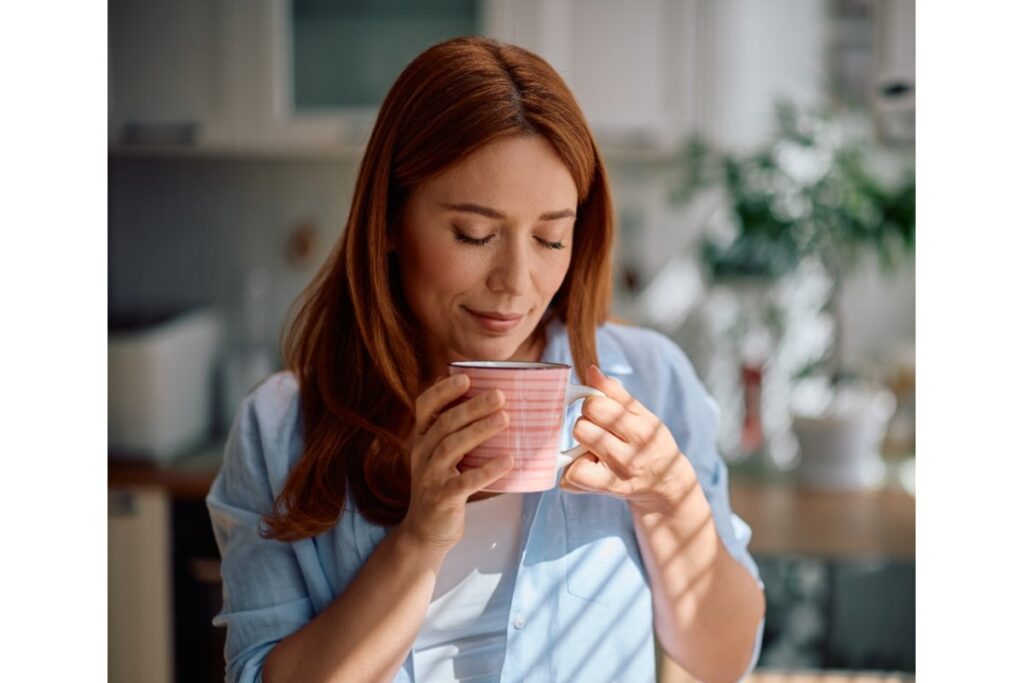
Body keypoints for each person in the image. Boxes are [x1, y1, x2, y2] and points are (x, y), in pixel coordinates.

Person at [207, 36, 765, 683]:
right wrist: (419, 540)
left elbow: (723, 661)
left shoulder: (651, 380)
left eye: (551, 236)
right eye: (475, 234)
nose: (517, 281)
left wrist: (673, 501)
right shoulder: (279, 429)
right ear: (389, 219)